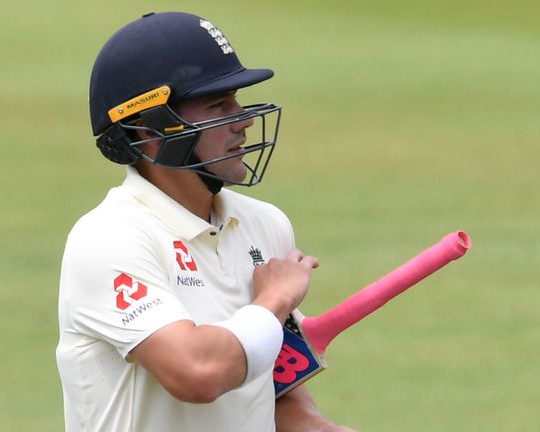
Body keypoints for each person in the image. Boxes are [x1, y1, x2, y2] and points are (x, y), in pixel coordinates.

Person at [56, 11, 357, 432]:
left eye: (235, 99)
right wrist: (273, 302)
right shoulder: (108, 239)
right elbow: (198, 373)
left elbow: (276, 391)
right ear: (149, 129)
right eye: (218, 105)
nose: (245, 120)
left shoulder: (265, 225)